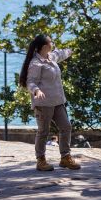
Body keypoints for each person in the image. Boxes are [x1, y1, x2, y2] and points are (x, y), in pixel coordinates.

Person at [19, 35, 81, 171]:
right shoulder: (36, 63)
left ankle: (65, 157)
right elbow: (30, 82)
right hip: (43, 103)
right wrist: (36, 91)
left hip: (58, 101)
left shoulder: (51, 57)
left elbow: (61, 54)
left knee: (66, 127)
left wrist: (72, 50)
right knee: (43, 131)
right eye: (50, 42)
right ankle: (40, 160)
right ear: (44, 46)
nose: (52, 43)